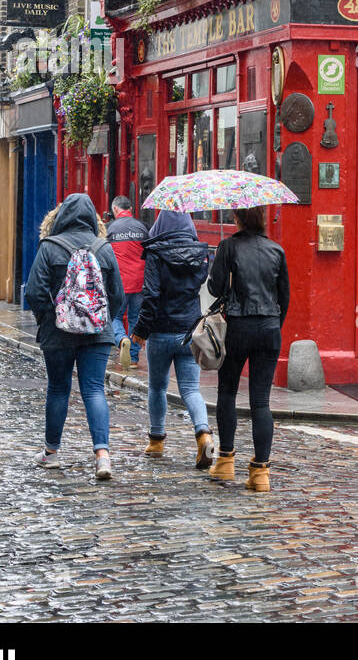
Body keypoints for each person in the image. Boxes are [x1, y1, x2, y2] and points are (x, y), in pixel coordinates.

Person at [24, 193, 124, 480]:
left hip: (59, 333)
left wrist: (51, 318)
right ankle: (102, 456)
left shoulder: (50, 247)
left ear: (62, 215)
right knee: (94, 389)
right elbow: (117, 294)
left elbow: (34, 291)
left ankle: (51, 454)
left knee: (58, 389)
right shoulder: (103, 248)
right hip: (97, 333)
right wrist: (101, 320)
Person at [206, 205, 289, 492]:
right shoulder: (276, 250)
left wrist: (219, 263)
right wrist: (274, 325)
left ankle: (226, 462)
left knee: (227, 392)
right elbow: (284, 297)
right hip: (269, 328)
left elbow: (216, 289)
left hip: (239, 327)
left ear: (238, 218)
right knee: (261, 402)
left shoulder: (228, 246)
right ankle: (260, 473)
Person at [129, 210, 215, 468]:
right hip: (189, 330)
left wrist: (141, 331)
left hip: (161, 331)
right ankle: (204, 435)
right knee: (190, 389)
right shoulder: (200, 253)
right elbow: (201, 285)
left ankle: (156, 440)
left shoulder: (156, 254)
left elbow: (151, 296)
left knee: (157, 387)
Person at [107, 195, 149, 368]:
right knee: (135, 318)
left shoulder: (109, 229)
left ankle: (121, 338)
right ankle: (133, 358)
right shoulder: (143, 227)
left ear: (115, 210)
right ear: (130, 209)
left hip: (119, 282)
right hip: (140, 281)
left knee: (114, 316)